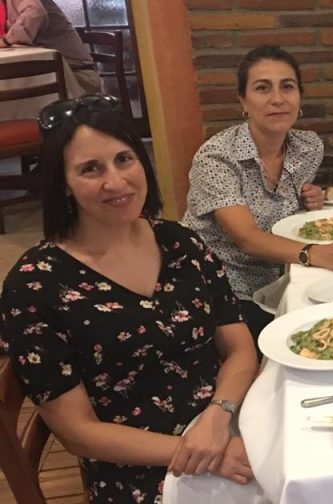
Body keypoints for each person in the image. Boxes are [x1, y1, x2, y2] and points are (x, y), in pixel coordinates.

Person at [0, 96, 259, 503]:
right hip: (138, 468)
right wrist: (201, 453)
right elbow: (78, 432)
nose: (116, 181)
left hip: (224, 425)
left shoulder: (180, 243)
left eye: (124, 159)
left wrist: (218, 416)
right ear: (62, 182)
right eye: (90, 169)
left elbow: (240, 348)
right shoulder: (35, 284)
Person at [183, 45, 333, 340]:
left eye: (287, 87)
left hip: (285, 274)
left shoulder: (307, 147)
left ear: (299, 97)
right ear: (243, 100)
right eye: (262, 88)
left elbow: (285, 210)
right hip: (225, 287)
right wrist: (317, 254)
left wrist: (311, 198)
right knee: (310, 338)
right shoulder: (217, 158)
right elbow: (247, 238)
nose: (278, 99)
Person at [1, 0, 100, 93]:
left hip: (78, 76)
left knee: (11, 89)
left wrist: (6, 40)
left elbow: (35, 12)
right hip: (55, 74)